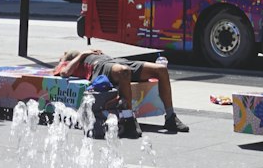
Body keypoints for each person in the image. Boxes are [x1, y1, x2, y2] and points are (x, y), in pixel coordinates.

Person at [52, 49, 189, 136]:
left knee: (161, 70)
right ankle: (129, 119)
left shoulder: (92, 54)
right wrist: (82, 55)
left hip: (116, 61)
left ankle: (171, 117)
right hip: (102, 67)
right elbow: (64, 73)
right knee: (124, 72)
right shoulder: (76, 61)